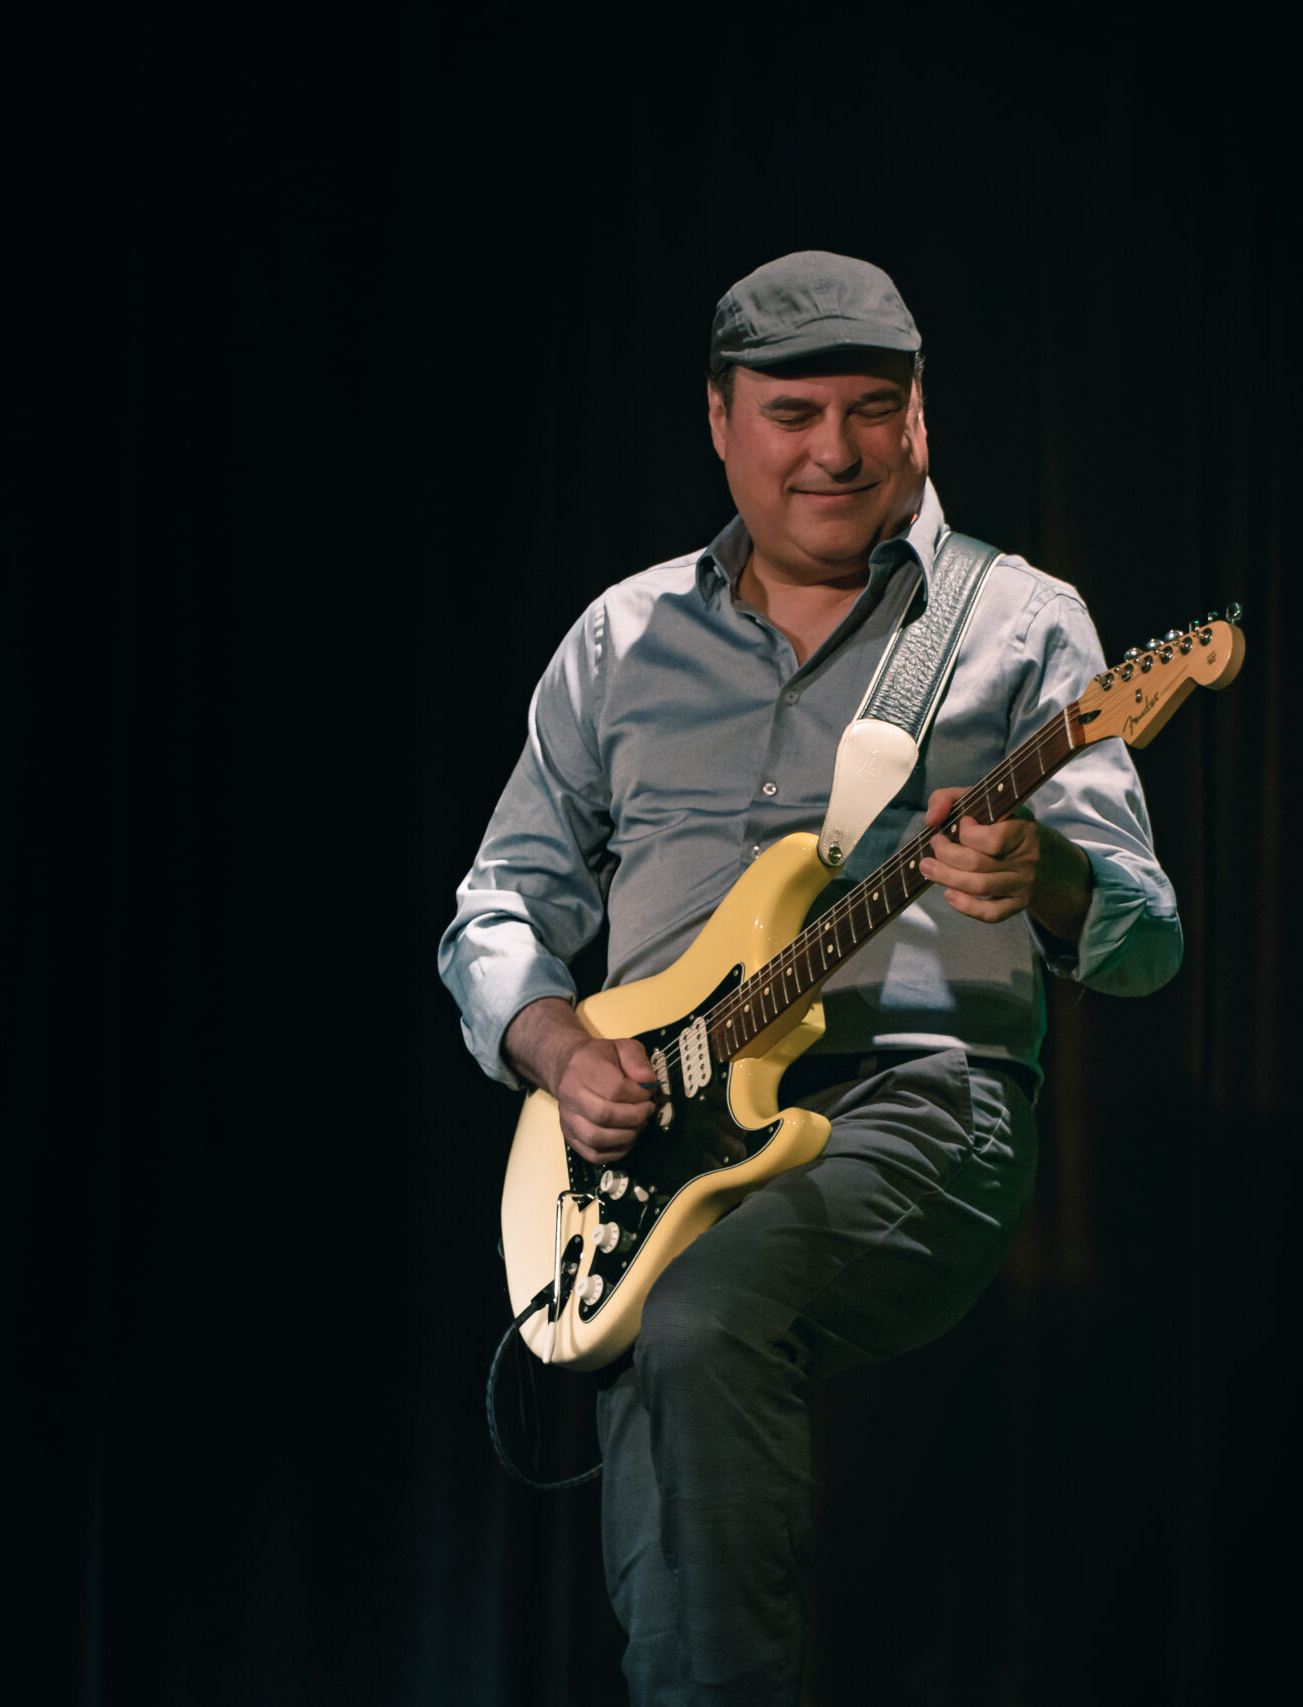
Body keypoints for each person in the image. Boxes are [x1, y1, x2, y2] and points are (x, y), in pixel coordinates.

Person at [439, 251, 1182, 1704]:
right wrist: (556, 1047)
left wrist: (1049, 876)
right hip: (661, 1131)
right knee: (670, 1365)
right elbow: (501, 901)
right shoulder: (622, 639)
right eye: (792, 413)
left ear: (922, 417)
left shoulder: (1017, 622)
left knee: (703, 1316)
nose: (835, 450)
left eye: (871, 408)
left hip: (921, 1105)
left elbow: (1147, 939)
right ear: (721, 421)